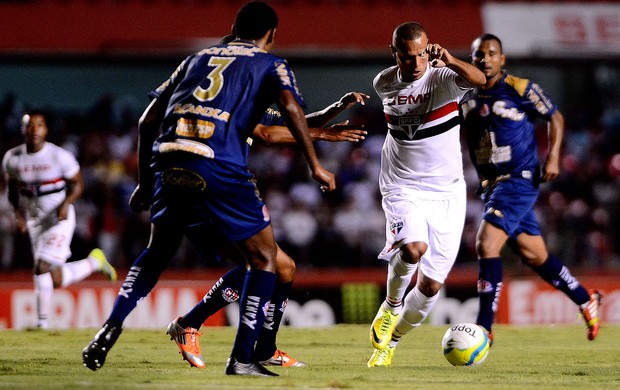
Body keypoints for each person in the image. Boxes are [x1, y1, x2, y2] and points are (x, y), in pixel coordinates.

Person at [82, 1, 336, 377]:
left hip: (169, 161)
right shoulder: (269, 64)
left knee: (158, 254)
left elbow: (147, 120)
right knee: (266, 260)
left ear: (234, 29)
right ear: (271, 34)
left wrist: (145, 183)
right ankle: (243, 358)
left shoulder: (196, 60)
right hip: (218, 167)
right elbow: (289, 112)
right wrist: (315, 163)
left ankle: (112, 326)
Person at [166, 91, 369, 370]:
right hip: (203, 194)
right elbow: (267, 135)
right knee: (263, 262)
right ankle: (189, 324)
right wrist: (323, 135)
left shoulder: (250, 100)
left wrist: (337, 105)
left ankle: (264, 348)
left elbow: (295, 123)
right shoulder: (225, 100)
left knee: (283, 267)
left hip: (225, 195)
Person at [461, 33, 601, 345]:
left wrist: (552, 157)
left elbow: (555, 117)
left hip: (519, 178)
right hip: (492, 186)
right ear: (471, 60)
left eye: (491, 53)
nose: (484, 59)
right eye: (478, 55)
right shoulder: (467, 99)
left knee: (486, 243)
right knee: (534, 255)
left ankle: (483, 328)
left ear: (502, 59)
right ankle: (585, 298)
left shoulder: (520, 88)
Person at [366, 22, 486, 368]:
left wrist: (448, 59)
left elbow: (479, 80)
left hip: (448, 191)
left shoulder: (443, 77)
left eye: (421, 54)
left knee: (432, 287)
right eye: (407, 56)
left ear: (429, 48)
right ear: (395, 54)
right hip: (402, 183)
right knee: (413, 249)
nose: (416, 62)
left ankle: (391, 343)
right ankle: (390, 306)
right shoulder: (384, 82)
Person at [1, 110, 117, 329]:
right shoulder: (12, 159)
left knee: (41, 266)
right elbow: (12, 191)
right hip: (36, 222)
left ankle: (41, 323)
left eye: (39, 125)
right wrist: (18, 215)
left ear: (46, 130)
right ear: (22, 129)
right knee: (54, 277)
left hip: (59, 218)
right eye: (29, 125)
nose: (34, 129)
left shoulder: (58, 156)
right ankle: (94, 262)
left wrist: (65, 203)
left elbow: (79, 184)